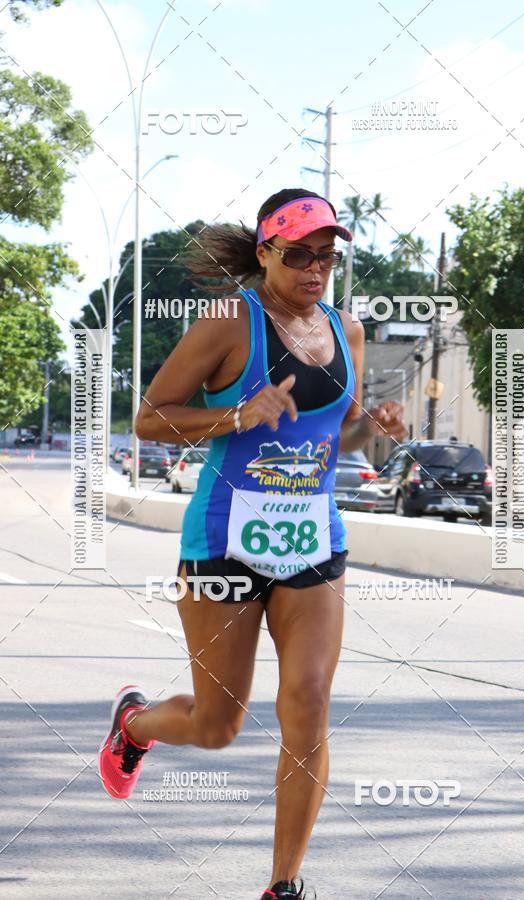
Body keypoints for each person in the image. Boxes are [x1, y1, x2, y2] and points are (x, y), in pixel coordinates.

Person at [98, 188, 408, 899]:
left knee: (309, 701)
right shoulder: (227, 323)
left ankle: (285, 886)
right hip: (223, 545)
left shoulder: (347, 330)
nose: (314, 268)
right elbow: (148, 421)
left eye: (326, 255)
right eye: (298, 253)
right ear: (265, 253)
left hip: (313, 543)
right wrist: (238, 414)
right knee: (216, 727)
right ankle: (135, 723)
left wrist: (376, 428)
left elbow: (338, 435)